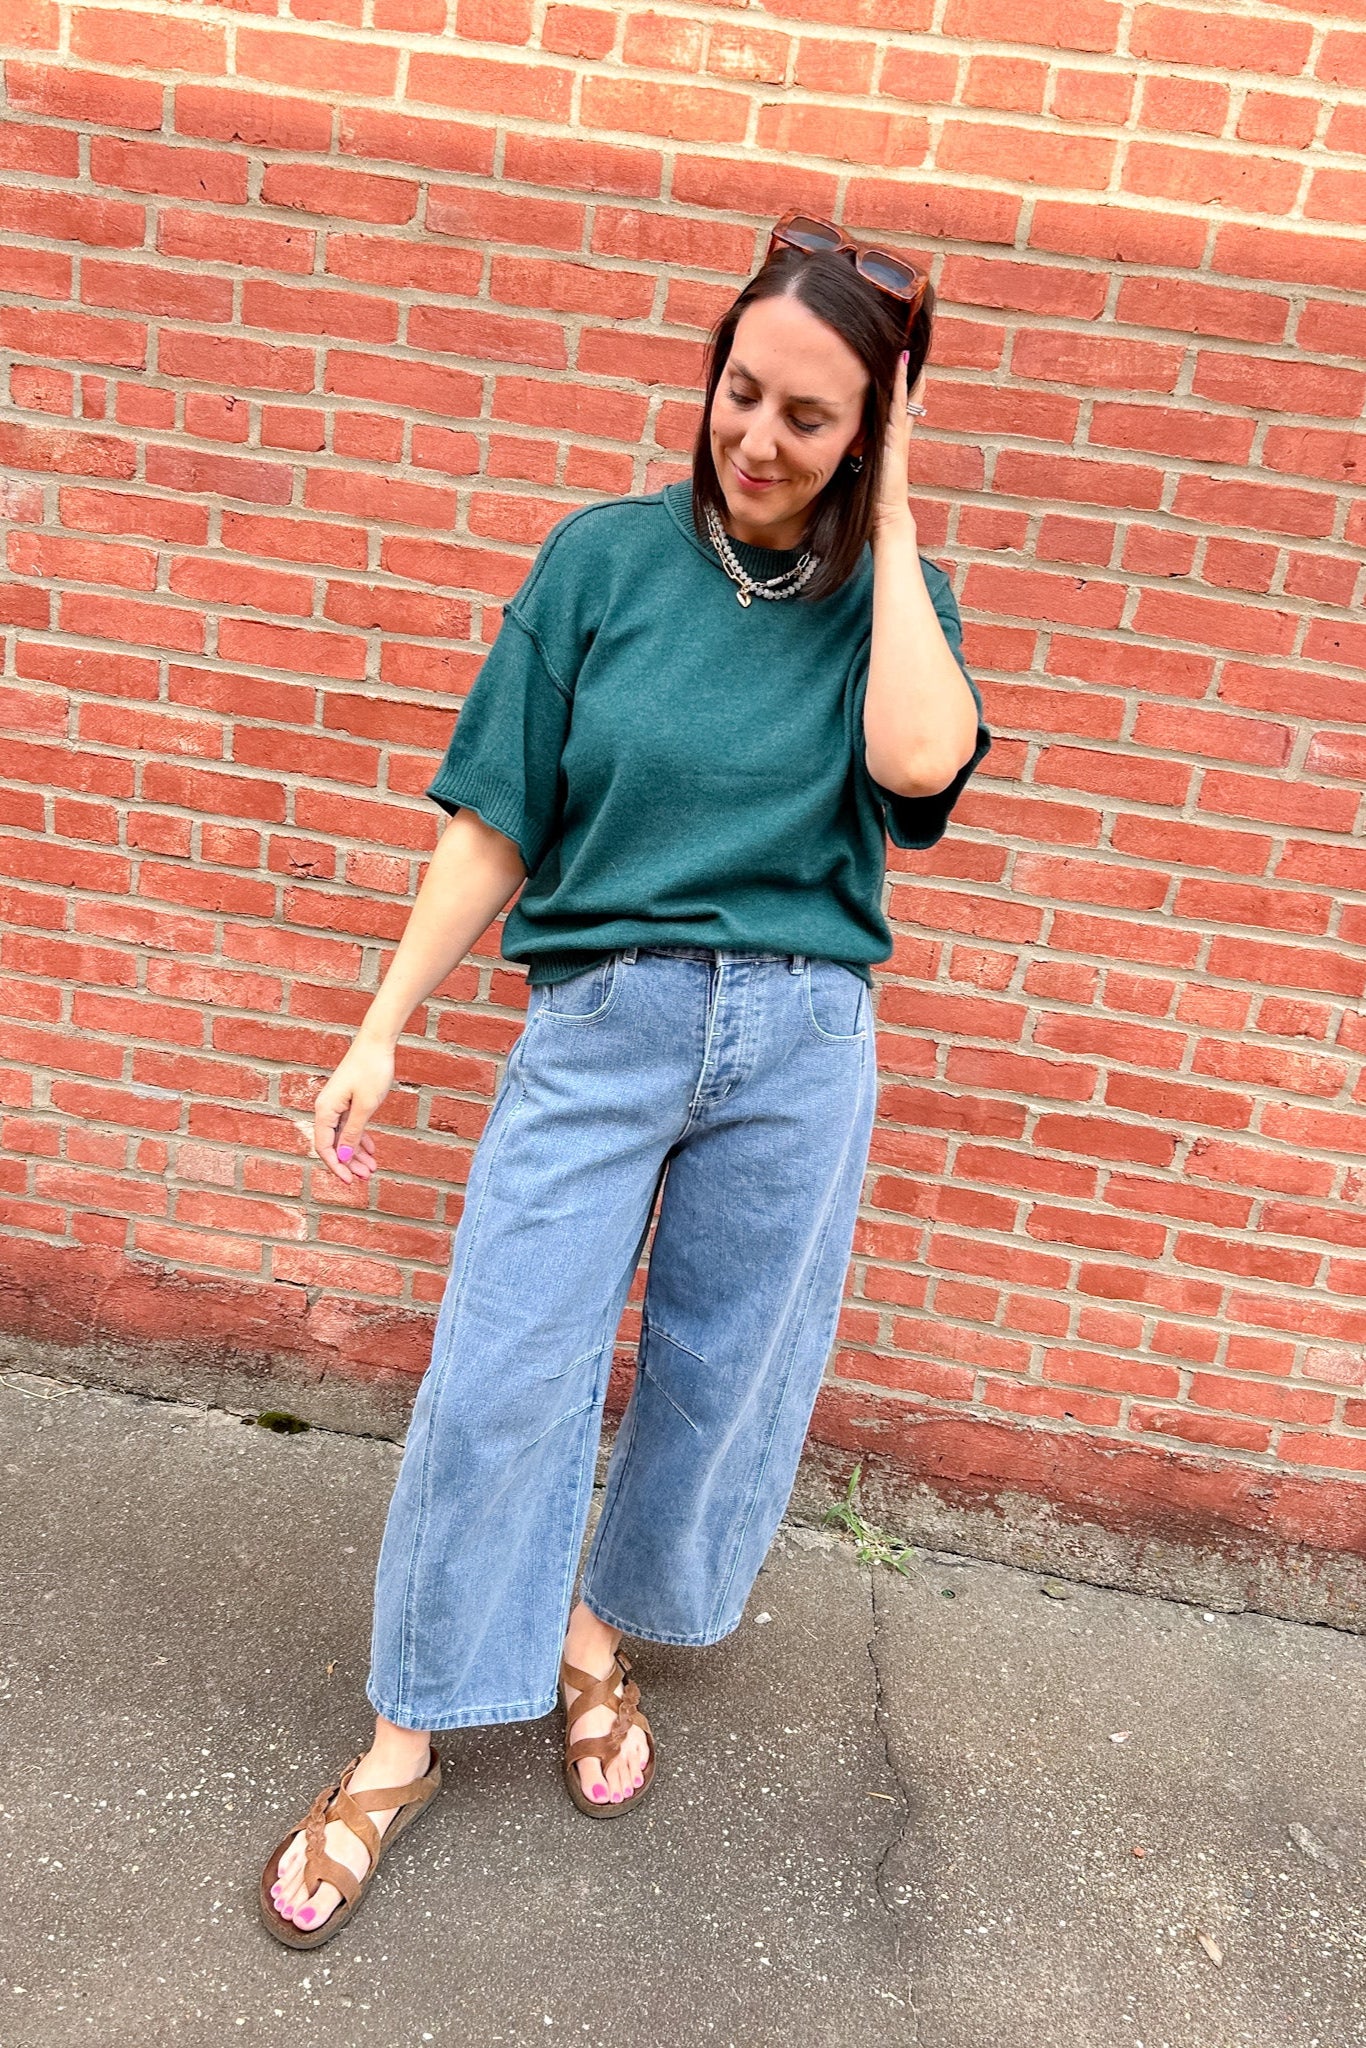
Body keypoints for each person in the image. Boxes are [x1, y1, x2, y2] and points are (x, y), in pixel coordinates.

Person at [258, 210, 991, 1947]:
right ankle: (407, 1734)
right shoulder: (600, 564)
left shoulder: (892, 605)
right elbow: (492, 814)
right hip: (604, 1022)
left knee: (722, 1379)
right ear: (710, 378)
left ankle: (591, 1633)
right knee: (498, 1375)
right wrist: (381, 1024)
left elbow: (916, 764)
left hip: (799, 1042)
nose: (758, 438)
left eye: (809, 416)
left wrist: (893, 525)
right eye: (742, 392)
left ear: (867, 435)